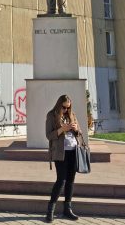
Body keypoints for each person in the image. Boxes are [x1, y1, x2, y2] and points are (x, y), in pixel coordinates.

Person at [45, 94, 81, 222]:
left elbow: (79, 133)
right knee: (61, 180)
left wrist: (76, 129)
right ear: (59, 105)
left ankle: (67, 209)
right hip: (60, 153)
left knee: (70, 180)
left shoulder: (71, 115)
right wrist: (61, 129)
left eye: (68, 108)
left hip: (73, 151)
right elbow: (48, 135)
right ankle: (50, 211)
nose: (66, 110)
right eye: (64, 108)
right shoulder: (51, 115)